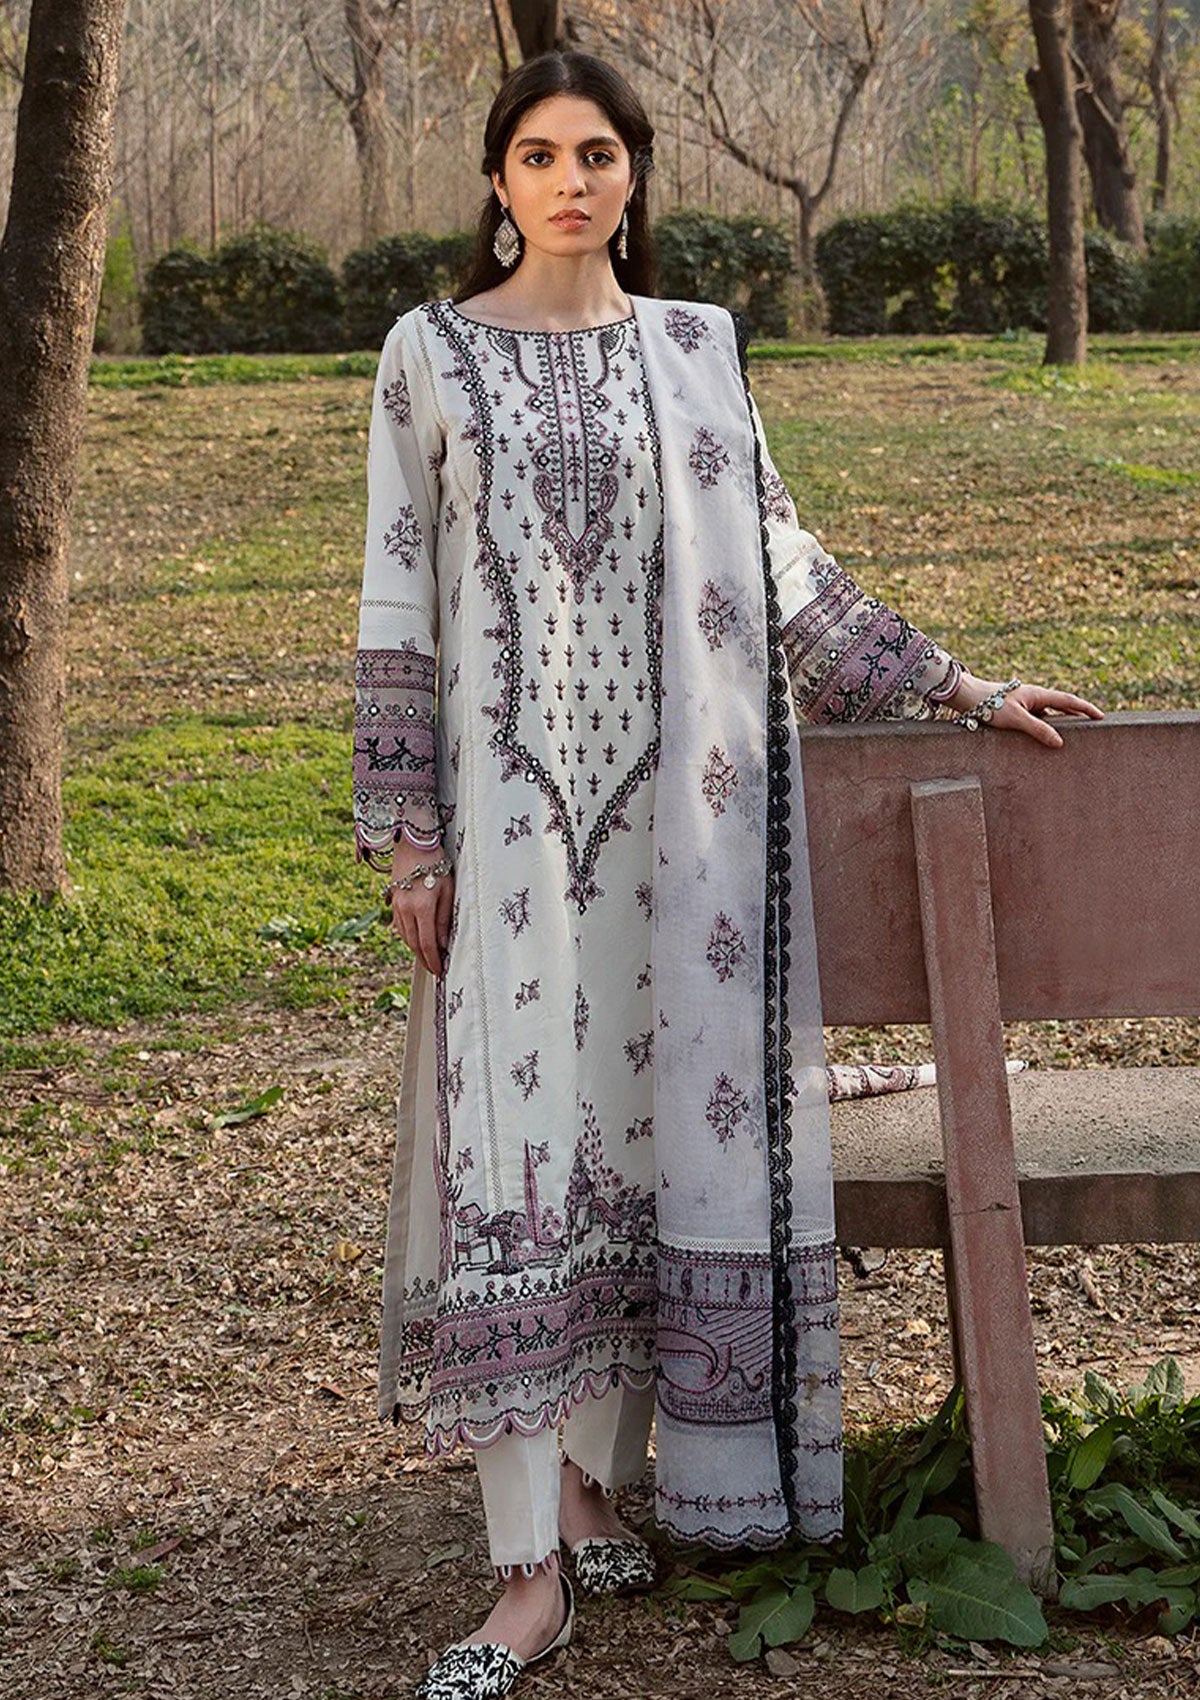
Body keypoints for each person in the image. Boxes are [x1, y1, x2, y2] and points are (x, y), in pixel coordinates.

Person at [352, 49, 1102, 1700]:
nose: (570, 181)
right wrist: (406, 834)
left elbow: (782, 565)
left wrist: (957, 685)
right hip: (509, 842)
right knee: (516, 1165)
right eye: (539, 154)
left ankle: (595, 1480)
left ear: (634, 175)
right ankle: (526, 1574)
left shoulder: (695, 351)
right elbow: (396, 602)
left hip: (679, 839)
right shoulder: (428, 356)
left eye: (597, 154)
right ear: (497, 181)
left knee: (644, 1142)